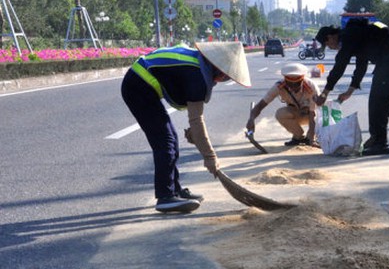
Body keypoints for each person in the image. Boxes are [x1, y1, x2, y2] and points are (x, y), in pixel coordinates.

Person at [121, 42, 250, 213]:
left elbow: (194, 120)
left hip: (141, 84)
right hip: (137, 87)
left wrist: (196, 135)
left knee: (171, 139)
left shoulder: (198, 63)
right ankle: (165, 197)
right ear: (217, 68)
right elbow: (197, 120)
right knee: (165, 142)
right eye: (225, 76)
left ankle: (174, 190)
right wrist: (210, 157)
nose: (221, 81)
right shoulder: (197, 75)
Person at [314, 18, 389, 156]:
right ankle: (376, 139)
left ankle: (381, 143)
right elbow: (361, 64)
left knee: (379, 103)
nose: (331, 47)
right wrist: (350, 91)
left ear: (330, 36)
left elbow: (340, 65)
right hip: (388, 61)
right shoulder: (356, 36)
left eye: (327, 44)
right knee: (375, 102)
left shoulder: (348, 36)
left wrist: (325, 92)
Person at [247, 63, 321, 146]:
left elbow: (313, 113)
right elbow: (261, 105)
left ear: (302, 80)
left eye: (297, 84)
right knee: (281, 114)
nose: (293, 87)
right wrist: (251, 119)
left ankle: (310, 138)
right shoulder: (279, 86)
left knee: (319, 115)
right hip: (296, 113)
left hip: (312, 115)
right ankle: (298, 137)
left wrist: (311, 137)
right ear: (286, 81)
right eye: (290, 84)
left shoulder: (311, 87)